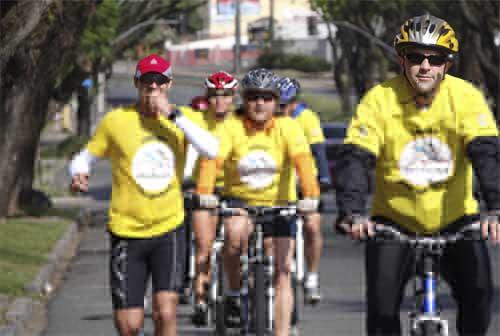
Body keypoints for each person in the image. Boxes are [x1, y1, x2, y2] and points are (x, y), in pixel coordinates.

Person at [335, 15, 500, 335]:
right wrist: (351, 212)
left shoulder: (466, 97)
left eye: (435, 58)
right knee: (382, 313)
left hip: (457, 220)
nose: (425, 66)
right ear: (402, 60)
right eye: (415, 57)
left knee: (479, 296)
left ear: (447, 65)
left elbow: (486, 154)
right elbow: (356, 157)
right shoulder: (379, 99)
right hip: (394, 222)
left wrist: (495, 207)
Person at [69, 54, 220, 336]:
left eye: (159, 82)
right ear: (137, 84)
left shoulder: (182, 121)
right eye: (147, 82)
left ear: (169, 85)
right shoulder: (117, 121)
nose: (153, 88)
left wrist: (174, 116)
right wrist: (78, 173)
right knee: (129, 325)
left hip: (168, 228)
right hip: (126, 231)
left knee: (165, 311)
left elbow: (212, 149)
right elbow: (84, 157)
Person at [195, 68, 320, 336]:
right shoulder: (231, 126)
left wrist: (310, 196)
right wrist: (205, 191)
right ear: (244, 100)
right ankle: (234, 290)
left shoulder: (288, 127)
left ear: (276, 102)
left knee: (283, 271)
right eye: (253, 97)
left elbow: (303, 162)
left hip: (280, 203)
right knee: (234, 233)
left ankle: (282, 333)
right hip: (240, 200)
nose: (260, 104)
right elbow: (212, 160)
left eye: (266, 98)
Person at [189, 71, 239, 326]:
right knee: (204, 246)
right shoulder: (197, 120)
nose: (220, 101)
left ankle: (236, 293)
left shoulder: (242, 123)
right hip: (204, 192)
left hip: (236, 193)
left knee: (237, 243)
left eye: (226, 95)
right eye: (215, 96)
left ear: (234, 97)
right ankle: (200, 299)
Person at [277, 77, 331, 304]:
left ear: (294, 102)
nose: (282, 109)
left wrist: (325, 177)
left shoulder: (306, 118)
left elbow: (318, 151)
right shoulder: (267, 119)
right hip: (278, 182)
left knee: (312, 224)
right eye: (278, 104)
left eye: (285, 104)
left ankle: (312, 275)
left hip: (304, 179)